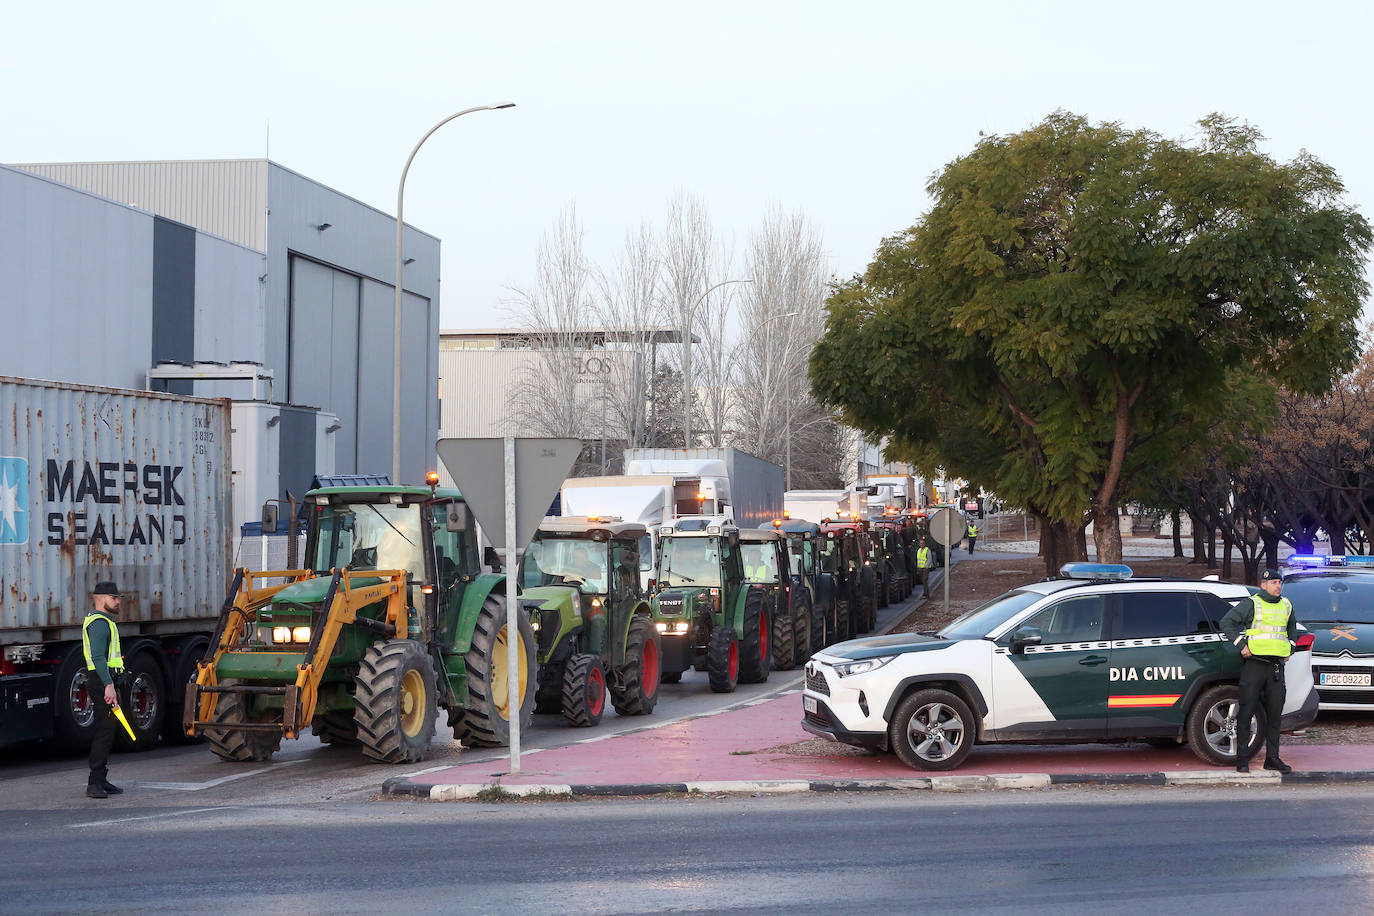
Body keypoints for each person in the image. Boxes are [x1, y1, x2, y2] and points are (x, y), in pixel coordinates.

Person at [1219, 569, 1298, 773]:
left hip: (1276, 668)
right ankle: (1242, 760)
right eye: (1273, 582)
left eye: (1280, 582)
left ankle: (1272, 758)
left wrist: (1290, 647)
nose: (1278, 585)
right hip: (1255, 665)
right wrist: (1241, 645)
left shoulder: (1287, 605)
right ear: (1263, 585)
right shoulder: (1252, 603)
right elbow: (1227, 623)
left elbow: (1292, 629)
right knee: (1246, 712)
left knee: (1274, 716)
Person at [82, 581, 125, 799]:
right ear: (100, 598)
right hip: (101, 682)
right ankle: (95, 782)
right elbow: (98, 657)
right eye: (114, 597)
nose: (118, 601)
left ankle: (101, 779)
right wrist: (109, 685)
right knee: (103, 732)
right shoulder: (99, 623)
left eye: (118, 598)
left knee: (108, 732)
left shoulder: (105, 621)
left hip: (104, 680)